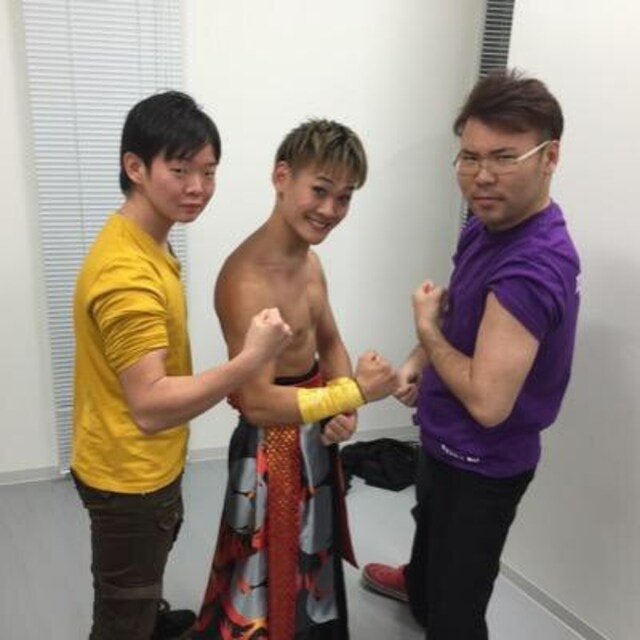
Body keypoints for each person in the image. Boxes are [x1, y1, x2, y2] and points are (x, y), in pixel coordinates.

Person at [361, 70, 581, 639]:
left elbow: (487, 402)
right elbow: (460, 313)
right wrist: (421, 359)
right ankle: (419, 584)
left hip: (484, 462)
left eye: (504, 158)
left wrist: (425, 331)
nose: (482, 177)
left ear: (550, 156)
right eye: (470, 157)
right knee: (430, 536)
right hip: (442, 437)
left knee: (457, 608)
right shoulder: (487, 222)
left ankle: (439, 604)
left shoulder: (532, 268)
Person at [71, 91, 293, 640]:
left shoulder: (145, 239)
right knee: (122, 607)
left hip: (132, 458)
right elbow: (150, 406)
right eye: (180, 170)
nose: (198, 187)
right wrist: (251, 360)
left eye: (208, 171)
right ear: (135, 167)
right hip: (130, 474)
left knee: (140, 576)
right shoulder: (127, 273)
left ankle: (148, 616)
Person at [192, 119, 398, 639]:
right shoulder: (245, 279)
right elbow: (257, 402)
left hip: (314, 437)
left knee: (314, 557)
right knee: (261, 574)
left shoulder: (310, 263)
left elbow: (330, 342)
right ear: (282, 177)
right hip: (270, 447)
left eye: (344, 197)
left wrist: (343, 408)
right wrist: (353, 391)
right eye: (320, 190)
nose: (330, 209)